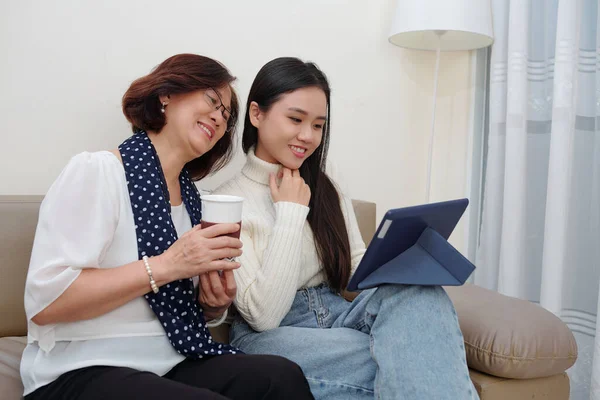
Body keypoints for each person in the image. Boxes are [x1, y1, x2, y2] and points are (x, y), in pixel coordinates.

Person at [21, 54, 314, 400]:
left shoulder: (196, 204)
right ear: (166, 95)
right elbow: (46, 303)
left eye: (226, 115)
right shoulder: (99, 172)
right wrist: (166, 265)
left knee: (280, 376)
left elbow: (177, 313)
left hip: (169, 362)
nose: (219, 117)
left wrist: (212, 305)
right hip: (81, 368)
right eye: (212, 100)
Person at [212, 57, 478, 400]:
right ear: (256, 114)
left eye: (319, 125)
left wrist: (395, 263)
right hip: (273, 336)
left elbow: (353, 267)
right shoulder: (226, 202)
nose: (307, 137)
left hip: (340, 310)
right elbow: (264, 315)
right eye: (295, 119)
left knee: (420, 293)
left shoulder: (326, 184)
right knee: (410, 352)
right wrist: (291, 211)